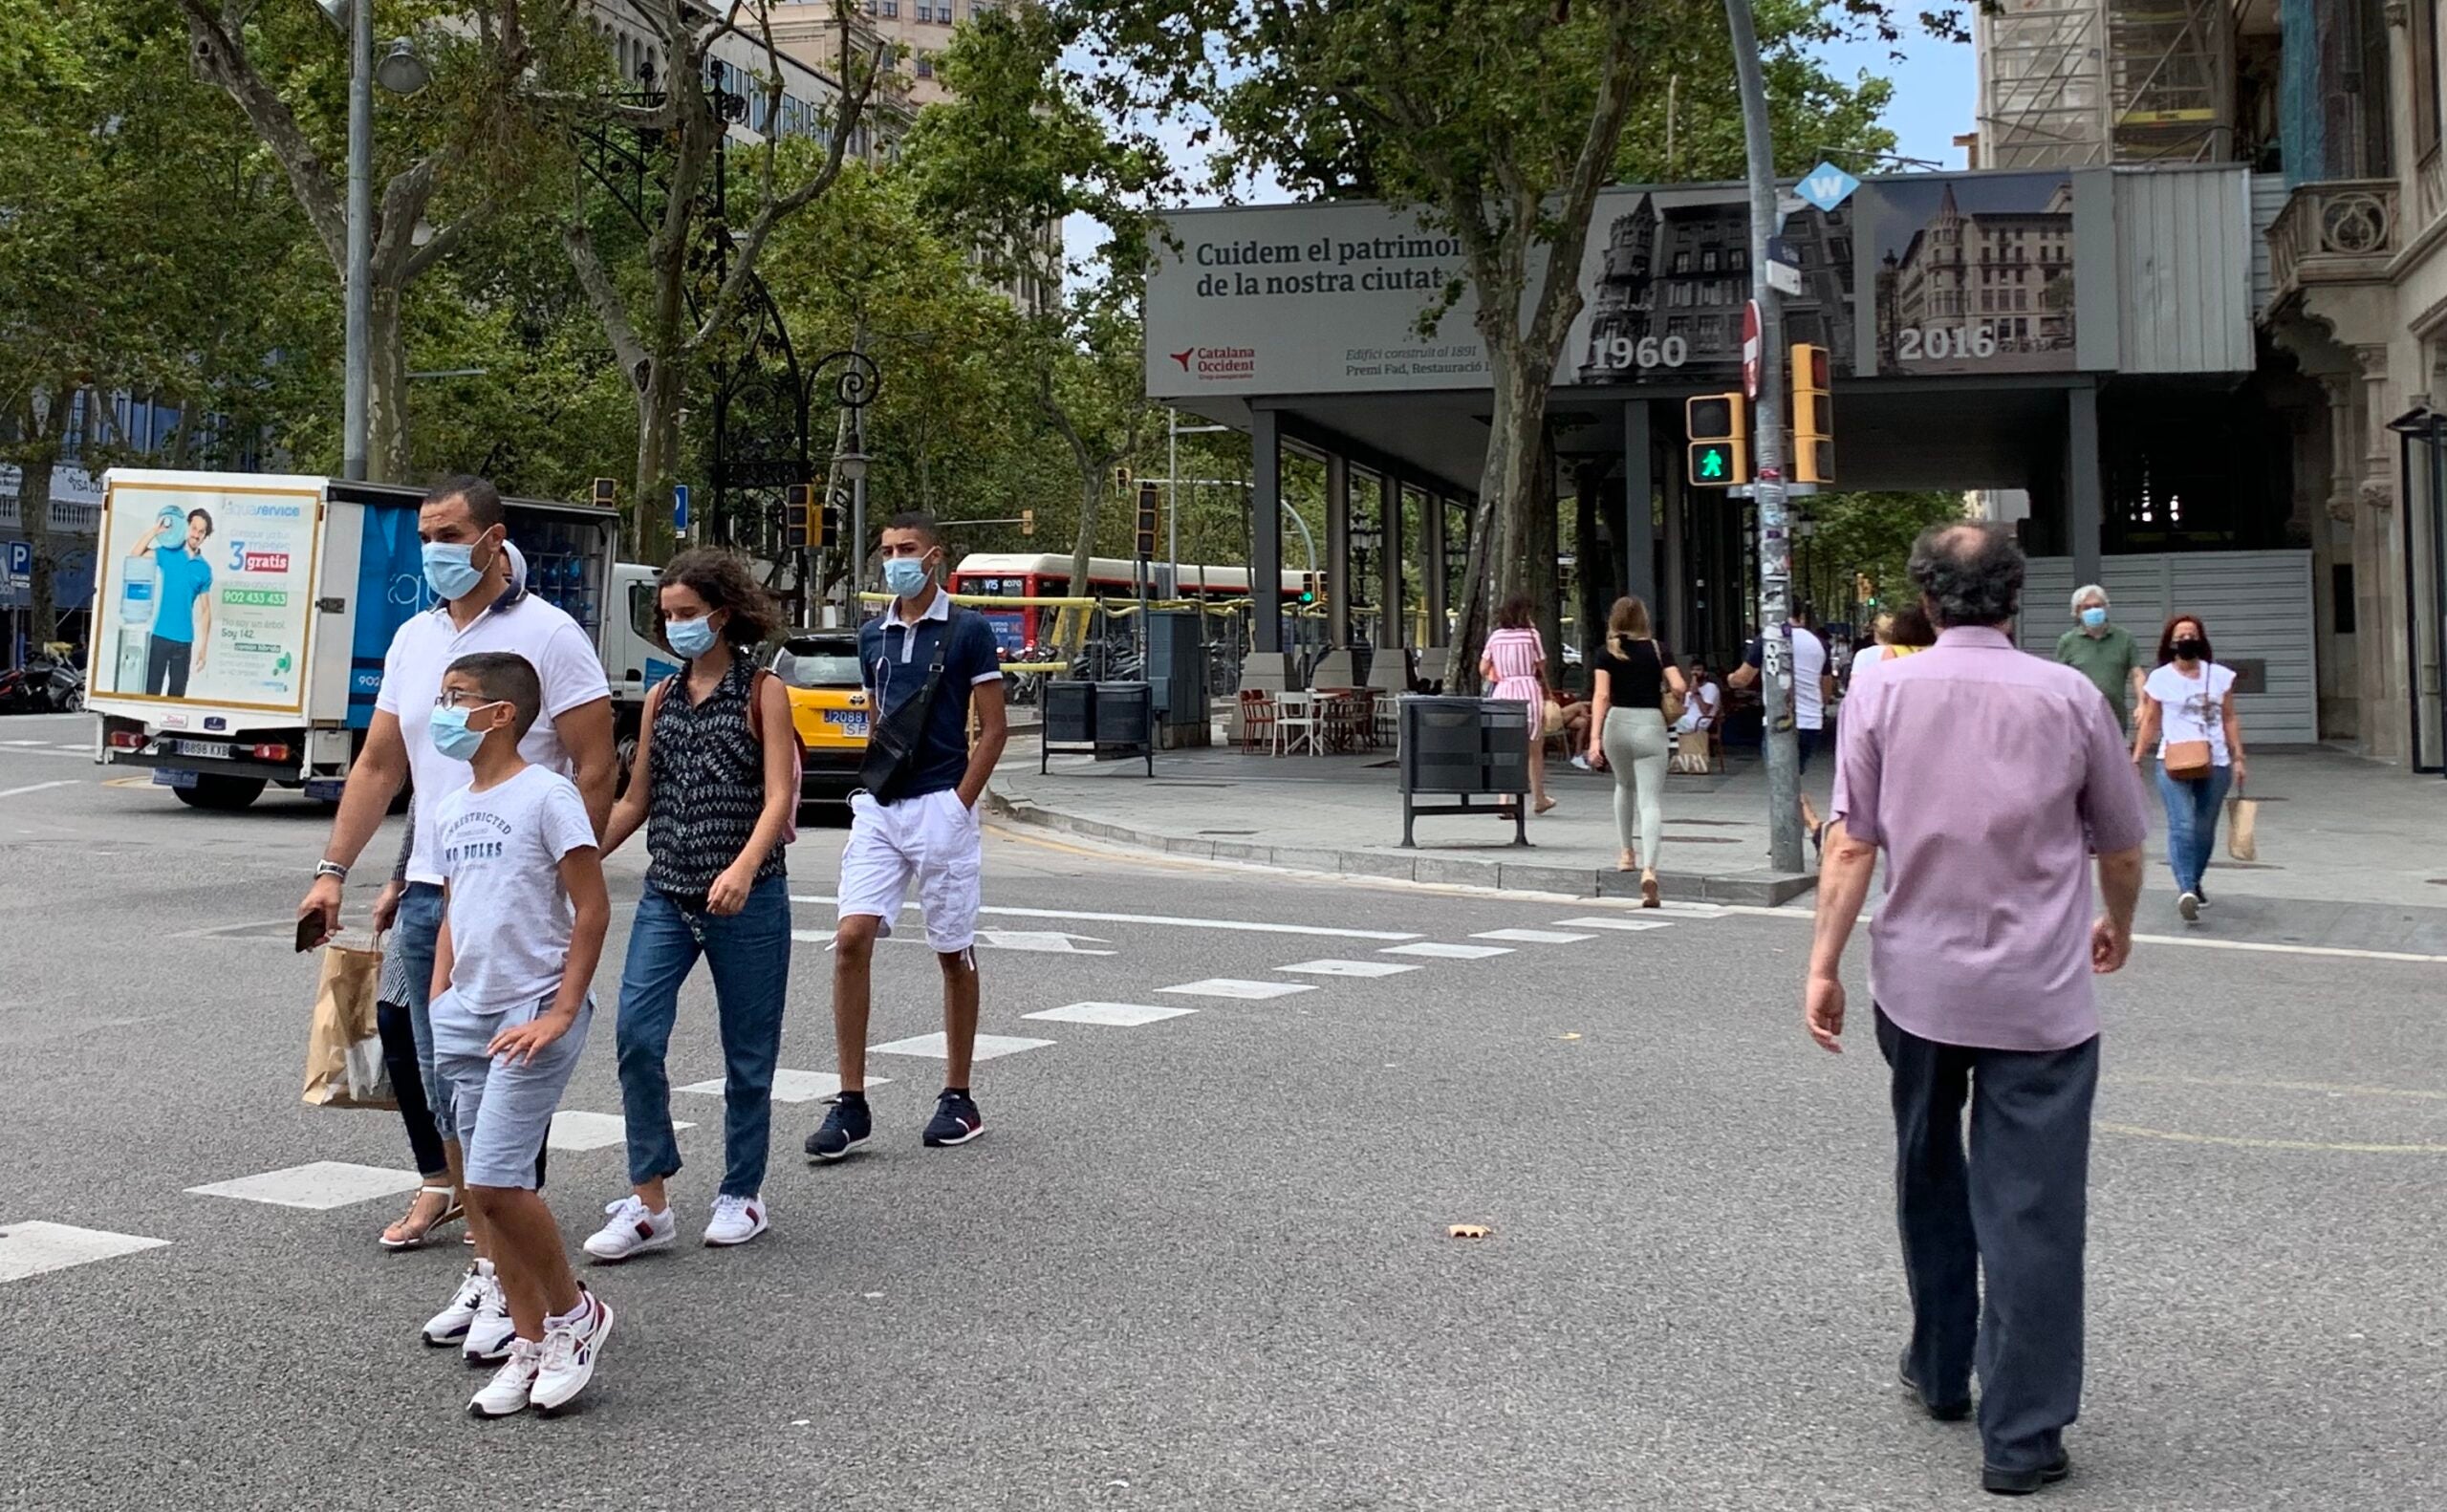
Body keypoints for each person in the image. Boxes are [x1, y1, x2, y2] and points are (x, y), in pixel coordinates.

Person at [1806, 523, 2146, 1498]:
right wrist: (2113, 923)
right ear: (2016, 597)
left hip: (1915, 984)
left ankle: (1942, 1363)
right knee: (2033, 1210)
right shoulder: (2070, 695)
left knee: (1926, 1167)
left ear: (1923, 593)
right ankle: (2023, 1433)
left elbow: (1849, 845)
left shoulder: (1877, 690)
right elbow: (2119, 847)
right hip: (2039, 996)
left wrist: (1822, 963)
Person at [300, 476, 617, 1251]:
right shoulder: (416, 639)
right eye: (425, 538)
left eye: (449, 535)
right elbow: (381, 765)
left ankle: (507, 1218)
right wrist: (334, 870)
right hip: (433, 877)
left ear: (490, 537)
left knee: (514, 1049)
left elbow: (597, 766)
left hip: (515, 884)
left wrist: (565, 874)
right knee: (419, 1041)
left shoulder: (550, 635)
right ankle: (451, 1188)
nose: (436, 551)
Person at [414, 652, 616, 1418]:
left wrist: (562, 1011)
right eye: (440, 696)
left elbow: (591, 908)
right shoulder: (453, 806)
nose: (443, 710)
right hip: (467, 1011)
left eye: (456, 698)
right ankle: (529, 1341)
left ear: (501, 714)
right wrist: (441, 996)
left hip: (532, 1009)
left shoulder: (547, 794)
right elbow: (453, 905)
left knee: (500, 1181)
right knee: (483, 1197)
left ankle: (575, 1316)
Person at [585, 551, 798, 1260]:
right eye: (668, 616)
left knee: (748, 1053)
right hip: (668, 894)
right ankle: (649, 1200)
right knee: (636, 1036)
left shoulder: (761, 690)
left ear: (724, 613)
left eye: (687, 614)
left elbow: (778, 796)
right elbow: (636, 799)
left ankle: (742, 1192)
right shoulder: (660, 698)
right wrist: (578, 864)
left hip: (749, 896)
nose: (676, 626)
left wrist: (743, 866)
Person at [806, 512, 1010, 1160]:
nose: (896, 559)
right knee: (850, 938)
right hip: (881, 806)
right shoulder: (873, 637)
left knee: (952, 950)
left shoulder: (969, 631)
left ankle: (958, 1093)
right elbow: (877, 714)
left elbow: (994, 728)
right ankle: (851, 1100)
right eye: (888, 550)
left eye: (908, 549)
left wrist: (959, 804)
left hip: (942, 806)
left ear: (934, 557)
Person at [2131, 614, 2246, 922]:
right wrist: (2137, 756)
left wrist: (2238, 758)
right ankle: (2186, 890)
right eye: (2180, 636)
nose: (2186, 640)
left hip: (2216, 761)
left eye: (2191, 634)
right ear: (2171, 643)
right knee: (2182, 824)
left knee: (2203, 828)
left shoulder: (2220, 676)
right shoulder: (2160, 678)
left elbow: (2230, 718)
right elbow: (2152, 720)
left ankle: (2194, 879)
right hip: (2173, 761)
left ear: (2201, 639)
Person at [1583, 595, 1686, 905]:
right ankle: (1650, 870)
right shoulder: (1658, 650)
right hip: (1651, 725)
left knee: (1623, 785)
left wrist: (1594, 740)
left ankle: (1626, 853)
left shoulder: (1607, 653)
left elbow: (1601, 697)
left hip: (1617, 724)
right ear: (1643, 619)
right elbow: (1679, 685)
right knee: (1651, 801)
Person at [1728, 608, 1832, 848]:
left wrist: (1731, 679)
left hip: (1779, 723)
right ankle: (1787, 842)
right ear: (1802, 616)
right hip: (1811, 723)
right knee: (1792, 781)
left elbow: (1743, 678)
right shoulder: (1820, 643)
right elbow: (1826, 691)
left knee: (1784, 784)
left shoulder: (1768, 638)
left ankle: (1815, 827)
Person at [1480, 594, 1554, 814]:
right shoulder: (1531, 635)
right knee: (1534, 749)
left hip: (1503, 692)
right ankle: (1539, 797)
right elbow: (1541, 664)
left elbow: (1483, 668)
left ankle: (1504, 799)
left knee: (1505, 747)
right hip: (1528, 691)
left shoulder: (1495, 637)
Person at [133, 508, 213, 697]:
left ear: (205, 536)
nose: (196, 534)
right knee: (150, 693)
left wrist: (203, 648)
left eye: (201, 532)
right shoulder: (169, 553)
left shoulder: (204, 569)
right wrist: (155, 531)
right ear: (187, 527)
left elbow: (206, 610)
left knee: (177, 698)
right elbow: (136, 554)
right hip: (160, 635)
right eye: (194, 528)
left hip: (184, 642)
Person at [2053, 585, 2146, 732]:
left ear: (2105, 607)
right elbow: (2060, 679)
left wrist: (2142, 704)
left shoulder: (2124, 638)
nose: (2093, 610)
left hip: (2114, 716)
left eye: (2097, 606)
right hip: (2079, 718)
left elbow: (2137, 674)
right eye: (2087, 607)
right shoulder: (2067, 641)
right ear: (2077, 612)